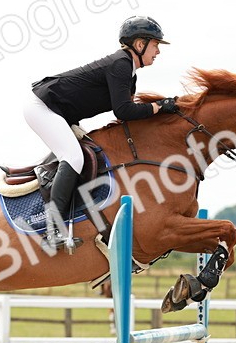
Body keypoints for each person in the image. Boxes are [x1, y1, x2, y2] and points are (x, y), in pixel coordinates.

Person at [26, 15, 180, 251]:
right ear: (140, 45)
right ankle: (51, 229)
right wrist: (160, 106)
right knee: (74, 157)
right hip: (43, 107)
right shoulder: (121, 64)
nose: (158, 51)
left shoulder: (129, 73)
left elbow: (128, 115)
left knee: (79, 154)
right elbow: (124, 110)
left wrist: (162, 112)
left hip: (56, 111)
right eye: (156, 44)